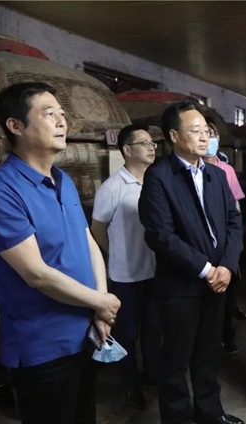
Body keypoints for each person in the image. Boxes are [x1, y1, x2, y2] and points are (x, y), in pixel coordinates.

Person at [0, 82, 121, 424]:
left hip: (84, 332)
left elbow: (88, 241)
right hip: (43, 346)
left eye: (62, 114)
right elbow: (35, 273)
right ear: (15, 126)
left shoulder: (62, 179)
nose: (61, 121)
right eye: (49, 113)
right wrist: (99, 301)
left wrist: (99, 305)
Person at [138, 99, 244, 424]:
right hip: (181, 286)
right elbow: (161, 235)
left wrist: (227, 266)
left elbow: (233, 223)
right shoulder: (159, 177)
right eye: (195, 130)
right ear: (174, 135)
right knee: (176, 359)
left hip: (219, 281)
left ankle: (209, 409)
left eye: (206, 131)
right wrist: (206, 269)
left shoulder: (216, 175)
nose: (204, 137)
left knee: (209, 353)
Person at [90, 124, 160, 409]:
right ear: (127, 150)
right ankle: (130, 386)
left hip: (155, 272)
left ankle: (152, 373)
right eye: (144, 143)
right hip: (126, 276)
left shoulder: (156, 183)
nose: (152, 147)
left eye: (153, 143)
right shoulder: (112, 188)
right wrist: (116, 253)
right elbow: (97, 229)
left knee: (153, 328)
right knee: (127, 334)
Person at [201, 117, 246, 356]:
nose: (208, 138)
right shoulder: (189, 170)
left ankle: (226, 337)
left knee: (226, 294)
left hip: (225, 244)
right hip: (202, 249)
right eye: (203, 133)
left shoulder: (226, 171)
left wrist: (235, 244)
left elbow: (235, 209)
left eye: (212, 133)